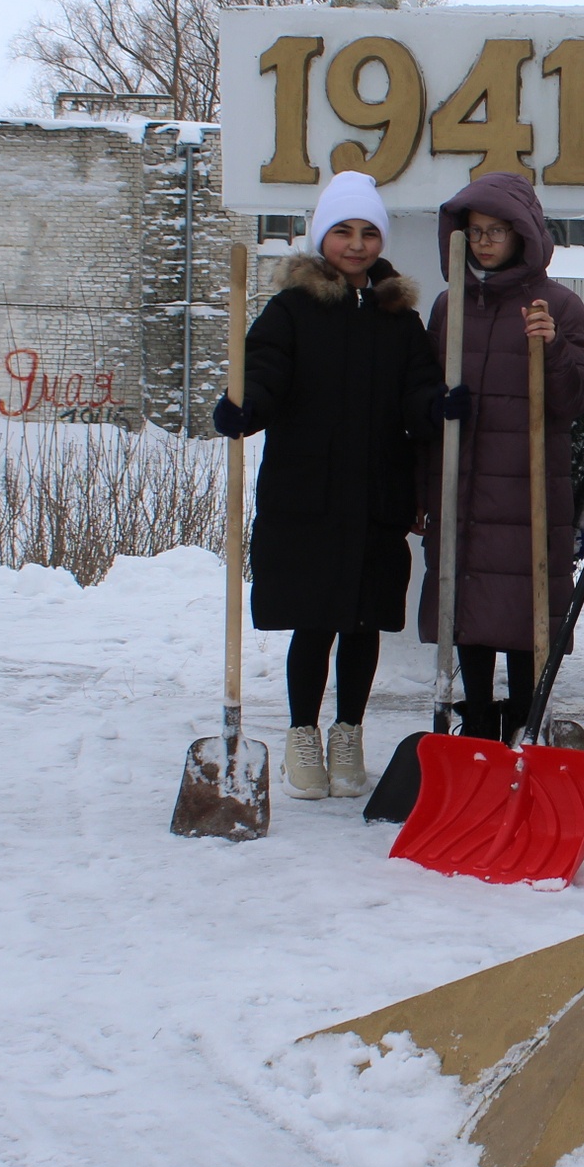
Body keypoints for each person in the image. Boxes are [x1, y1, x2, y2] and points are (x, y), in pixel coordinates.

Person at [217, 170, 451, 800]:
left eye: (368, 232)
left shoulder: (397, 319)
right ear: (322, 238)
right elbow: (264, 370)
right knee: (314, 621)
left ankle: (348, 732)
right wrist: (245, 406)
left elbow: (416, 391)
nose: (356, 244)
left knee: (365, 622)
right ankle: (302, 734)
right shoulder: (292, 310)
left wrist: (437, 407)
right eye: (343, 231)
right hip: (309, 494)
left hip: (376, 494)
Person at [419, 172, 584, 740]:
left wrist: (555, 347)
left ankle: (525, 721)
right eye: (475, 231)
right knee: (465, 608)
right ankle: (474, 728)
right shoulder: (450, 306)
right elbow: (427, 399)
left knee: (524, 612)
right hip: (463, 486)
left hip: (527, 489)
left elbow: (571, 403)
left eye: (498, 230)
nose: (486, 241)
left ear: (524, 234)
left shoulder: (558, 306)